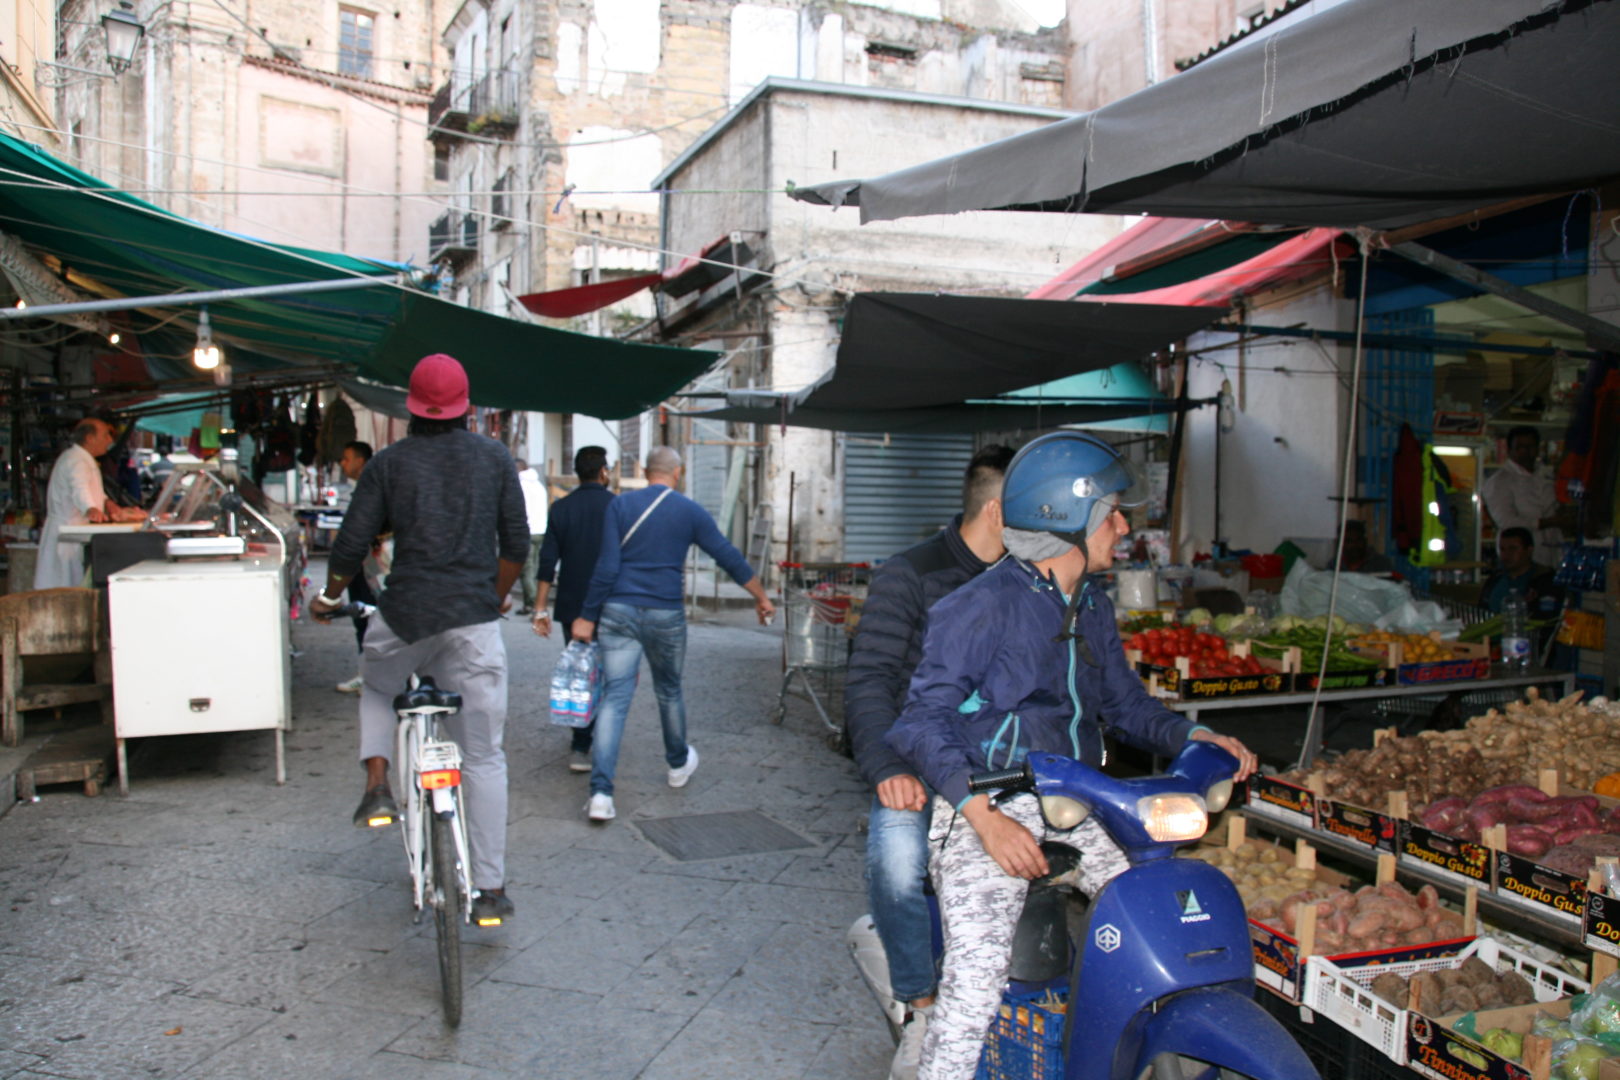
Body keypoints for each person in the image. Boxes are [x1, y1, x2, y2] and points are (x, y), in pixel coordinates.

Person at [886, 432, 1258, 1080]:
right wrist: (984, 818)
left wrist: (1195, 739)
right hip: (985, 805)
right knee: (975, 986)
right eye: (1111, 514)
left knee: (1154, 919)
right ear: (1067, 520)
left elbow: (1126, 705)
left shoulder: (1091, 603)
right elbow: (920, 721)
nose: (1124, 527)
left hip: (1079, 800)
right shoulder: (978, 607)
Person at [311, 354, 529, 925]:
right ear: (465, 408)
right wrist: (494, 596)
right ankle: (490, 889)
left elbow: (351, 543)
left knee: (378, 688)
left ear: (412, 407)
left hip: (405, 617)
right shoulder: (494, 458)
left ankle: (377, 783)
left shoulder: (389, 463)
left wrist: (329, 596)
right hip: (472, 625)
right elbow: (516, 546)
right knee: (483, 756)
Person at [845, 443, 1013, 1080]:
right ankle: (919, 1005)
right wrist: (887, 768)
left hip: (998, 766)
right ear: (998, 511)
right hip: (914, 761)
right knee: (895, 866)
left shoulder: (1030, 579)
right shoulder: (910, 573)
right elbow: (869, 679)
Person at [570, 446, 774, 822]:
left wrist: (587, 615)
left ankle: (601, 794)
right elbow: (726, 555)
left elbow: (607, 565)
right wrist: (760, 596)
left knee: (614, 698)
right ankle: (678, 764)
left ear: (646, 471)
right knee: (669, 690)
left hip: (618, 610)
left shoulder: (619, 506)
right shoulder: (689, 511)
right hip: (665, 612)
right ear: (677, 473)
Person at [531, 445, 616, 772]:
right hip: (611, 603)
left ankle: (581, 745)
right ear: (603, 472)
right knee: (611, 673)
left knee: (581, 673)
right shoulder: (617, 506)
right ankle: (605, 738)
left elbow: (547, 561)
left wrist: (540, 609)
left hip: (573, 605)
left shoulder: (561, 509)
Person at [35, 417, 144, 590]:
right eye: (105, 435)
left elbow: (93, 490)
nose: (109, 440)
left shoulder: (82, 458)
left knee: (70, 583)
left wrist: (107, 503)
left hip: (73, 529)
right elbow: (80, 488)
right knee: (63, 586)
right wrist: (90, 508)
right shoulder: (76, 460)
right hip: (67, 530)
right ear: (90, 438)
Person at [1481, 426, 1569, 569]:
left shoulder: (1546, 474)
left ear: (1538, 448)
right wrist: (1546, 522)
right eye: (1519, 447)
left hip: (1553, 553)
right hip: (1519, 558)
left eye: (1530, 447)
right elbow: (1506, 521)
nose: (1525, 451)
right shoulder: (1499, 481)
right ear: (1509, 450)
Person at [334, 440, 375, 694]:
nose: (342, 463)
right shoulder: (364, 486)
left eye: (347, 458)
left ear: (360, 461)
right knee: (362, 619)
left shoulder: (373, 486)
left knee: (370, 619)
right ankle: (366, 674)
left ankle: (373, 678)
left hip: (371, 564)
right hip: (362, 563)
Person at [1480, 526, 1561, 618]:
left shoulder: (1545, 581)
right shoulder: (1495, 579)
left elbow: (1547, 617)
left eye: (1512, 549)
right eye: (1502, 549)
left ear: (1529, 550)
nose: (1506, 555)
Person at [515, 456, 549, 616]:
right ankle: (531, 604)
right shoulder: (539, 485)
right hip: (540, 530)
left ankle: (534, 605)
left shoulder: (519, 486)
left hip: (526, 531)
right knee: (533, 568)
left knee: (526, 570)